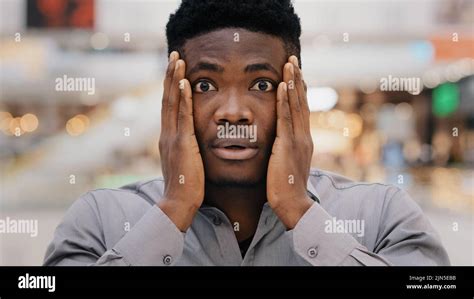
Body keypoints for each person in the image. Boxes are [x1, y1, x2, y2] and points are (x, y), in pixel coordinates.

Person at [44, 0, 449, 266]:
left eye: (261, 85)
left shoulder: (382, 217)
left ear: (296, 94)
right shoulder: (99, 221)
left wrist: (298, 209)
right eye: (205, 84)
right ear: (173, 93)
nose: (234, 112)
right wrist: (173, 210)